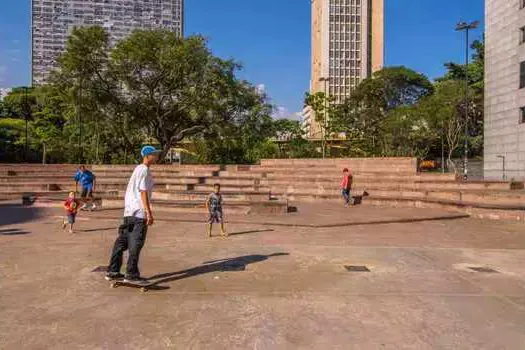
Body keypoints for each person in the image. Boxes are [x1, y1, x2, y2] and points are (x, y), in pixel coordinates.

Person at [105, 145, 160, 284]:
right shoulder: (145, 170)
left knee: (121, 242)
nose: (156, 156)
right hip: (139, 213)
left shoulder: (137, 169)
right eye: (154, 154)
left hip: (128, 213)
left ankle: (113, 270)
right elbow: (143, 192)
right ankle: (131, 274)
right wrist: (148, 212)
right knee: (136, 243)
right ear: (147, 156)